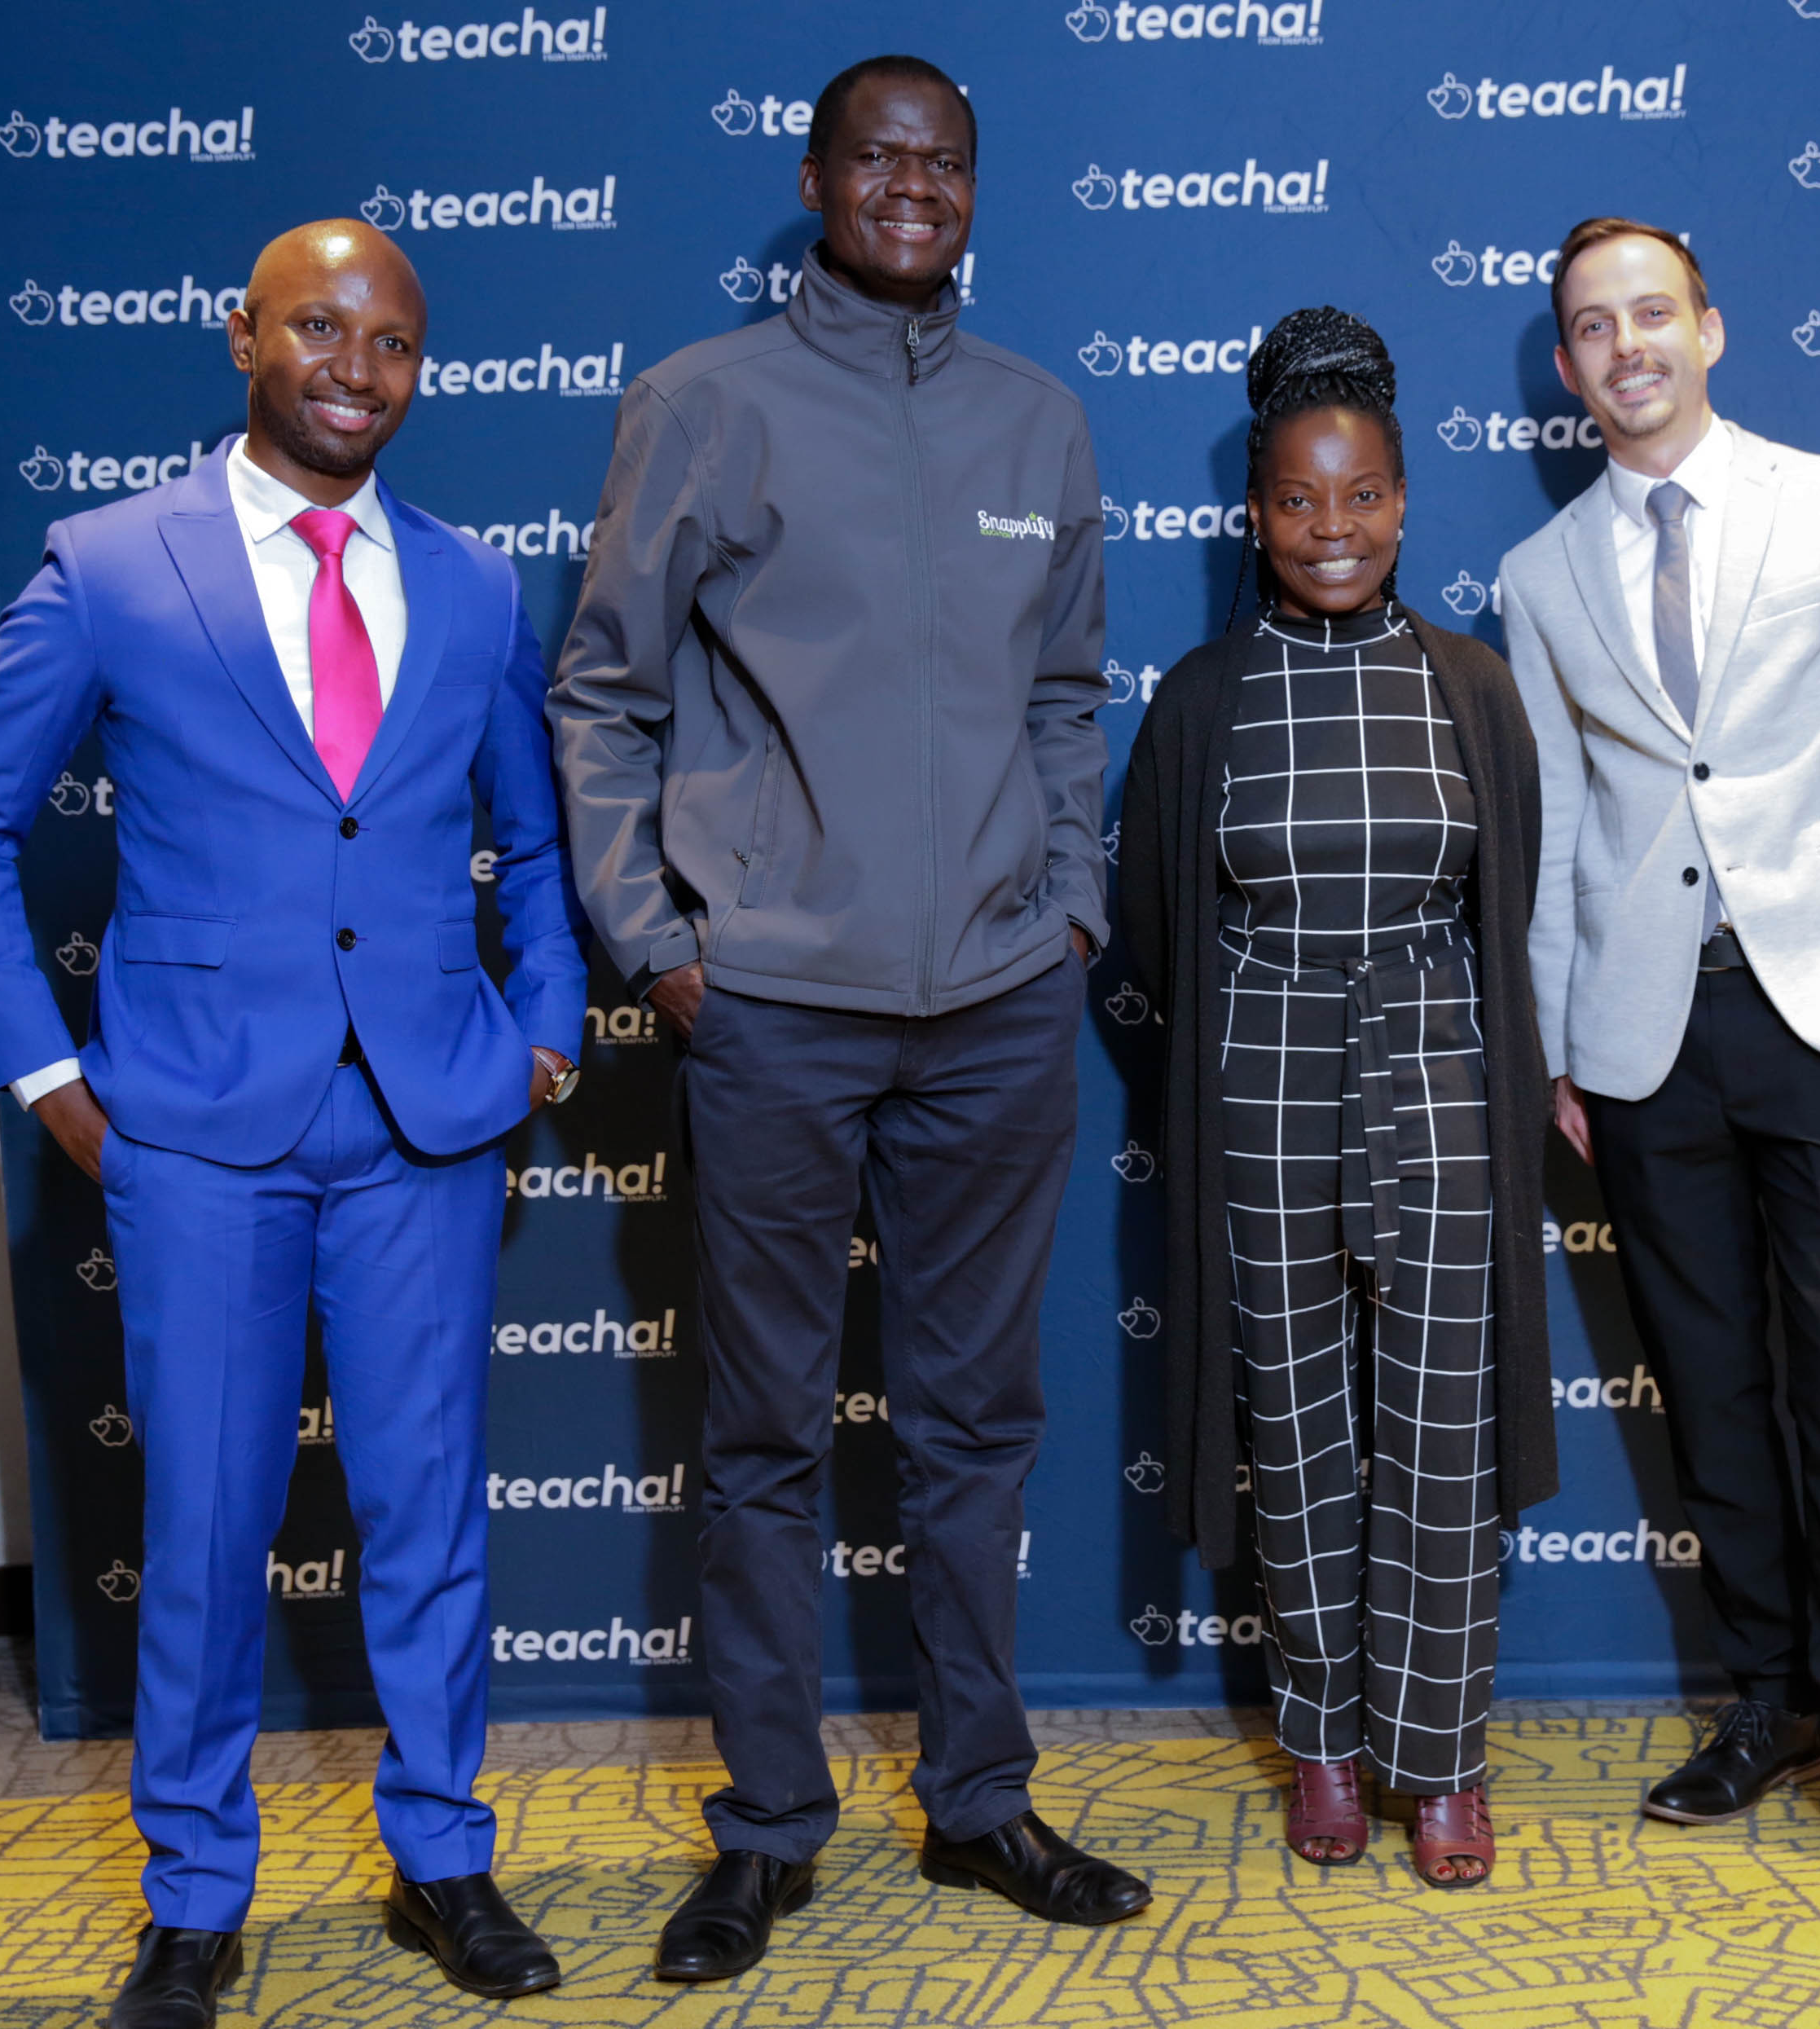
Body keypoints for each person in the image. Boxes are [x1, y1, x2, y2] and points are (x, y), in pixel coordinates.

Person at [0, 221, 585, 2027]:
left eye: (391, 342)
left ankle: (444, 1857)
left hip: (426, 1127)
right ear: (243, 336)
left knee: (426, 1510)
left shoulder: (471, 586)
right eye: (318, 328)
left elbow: (533, 838)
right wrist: (47, 1080)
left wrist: (544, 1034)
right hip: (199, 1129)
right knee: (204, 1524)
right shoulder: (113, 563)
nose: (355, 368)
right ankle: (196, 1895)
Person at [549, 53, 1144, 1966]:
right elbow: (604, 693)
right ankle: (767, 1825)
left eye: (942, 162)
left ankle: (979, 1802)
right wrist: (657, 937)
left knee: (976, 1429)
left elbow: (1067, 701)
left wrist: (1067, 907)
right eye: (877, 157)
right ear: (814, 180)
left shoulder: (1038, 420)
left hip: (997, 1003)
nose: (911, 186)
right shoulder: (703, 405)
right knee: (763, 1436)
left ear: (972, 190)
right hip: (775, 1005)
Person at [1498, 218, 1820, 1914]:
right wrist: (1558, 1042)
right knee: (1706, 1389)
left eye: (1651, 314)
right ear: (1568, 368)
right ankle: (1767, 1699)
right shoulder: (1540, 573)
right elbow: (1552, 829)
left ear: (1708, 327)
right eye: (1591, 327)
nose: (1625, 346)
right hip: (1643, 1037)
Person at [1119, 310, 1554, 1890]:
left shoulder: (1469, 687)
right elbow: (1152, 935)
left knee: (1438, 1432)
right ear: (1255, 513)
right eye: (1298, 500)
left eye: (1360, 494)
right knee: (1295, 1429)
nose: (1331, 528)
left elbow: (1507, 913)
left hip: (1438, 1080)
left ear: (1402, 501)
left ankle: (1437, 1760)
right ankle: (1320, 1737)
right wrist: (1248, 1046)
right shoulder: (1201, 700)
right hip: (1262, 1082)